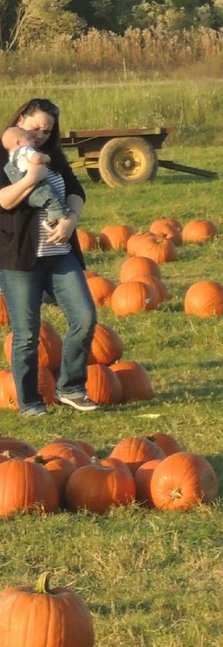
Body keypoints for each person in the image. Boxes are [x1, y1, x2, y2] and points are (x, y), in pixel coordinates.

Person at [0, 97, 98, 418]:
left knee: (84, 318)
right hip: (20, 259)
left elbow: (76, 191)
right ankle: (29, 402)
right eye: (36, 127)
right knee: (27, 336)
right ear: (21, 118)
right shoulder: (6, 153)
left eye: (47, 130)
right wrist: (31, 179)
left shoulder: (52, 155)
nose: (41, 134)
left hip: (60, 254)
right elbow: (3, 201)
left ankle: (71, 386)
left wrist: (70, 219)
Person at [2, 126, 68, 227]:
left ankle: (51, 220)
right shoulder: (25, 149)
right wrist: (47, 158)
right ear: (19, 142)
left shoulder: (11, 159)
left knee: (49, 203)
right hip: (37, 189)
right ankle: (60, 218)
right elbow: (37, 158)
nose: (33, 140)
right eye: (29, 138)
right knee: (54, 202)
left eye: (46, 132)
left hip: (27, 196)